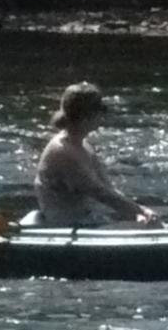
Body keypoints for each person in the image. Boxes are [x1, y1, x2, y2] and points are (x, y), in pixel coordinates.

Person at [32, 83, 156, 227]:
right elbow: (99, 193)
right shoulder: (62, 152)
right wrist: (141, 211)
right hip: (67, 225)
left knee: (152, 226)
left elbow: (108, 189)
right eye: (100, 110)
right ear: (86, 116)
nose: (103, 115)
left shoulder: (84, 145)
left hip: (88, 220)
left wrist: (135, 214)